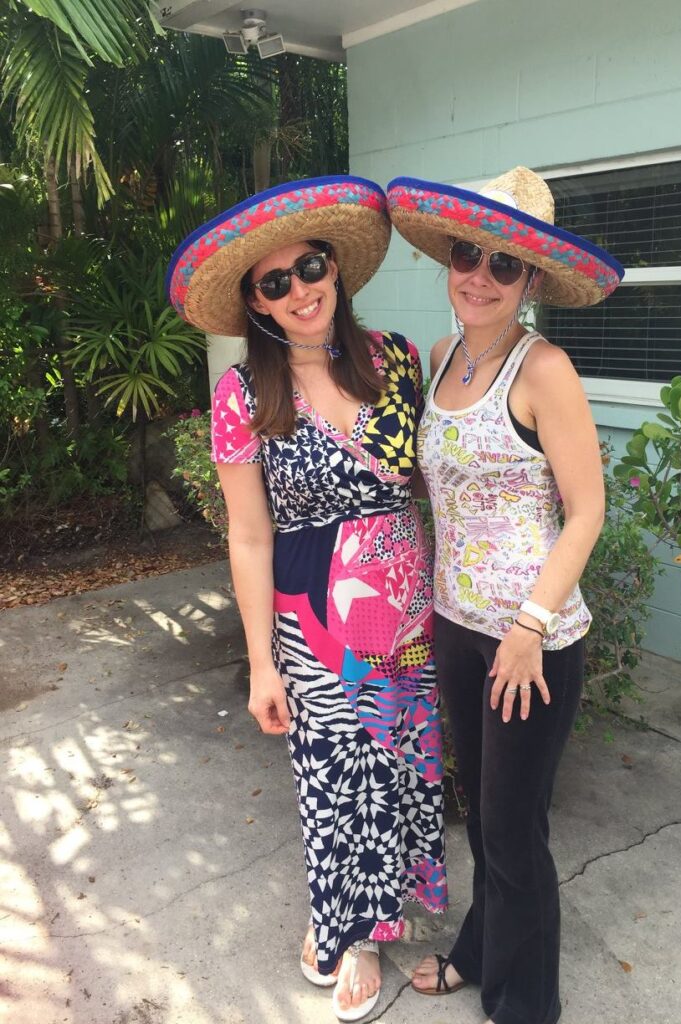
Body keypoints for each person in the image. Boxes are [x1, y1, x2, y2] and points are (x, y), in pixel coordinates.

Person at [166, 175, 446, 1023]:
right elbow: (248, 536)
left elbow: (445, 479)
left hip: (407, 613)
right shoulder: (242, 396)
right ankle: (348, 931)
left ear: (336, 268)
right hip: (315, 621)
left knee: (397, 771)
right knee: (335, 780)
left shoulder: (397, 359)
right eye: (274, 282)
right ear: (255, 302)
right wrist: (261, 664)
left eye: (310, 267)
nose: (300, 290)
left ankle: (386, 914)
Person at [386, 167, 624, 1024]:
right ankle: (481, 953)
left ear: (531, 281)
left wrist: (528, 626)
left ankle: (528, 1005)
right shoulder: (443, 355)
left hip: (533, 640)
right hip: (454, 628)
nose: (479, 275)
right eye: (465, 254)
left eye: (503, 264)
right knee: (485, 825)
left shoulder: (543, 368)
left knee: (515, 834)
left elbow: (587, 509)